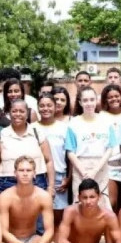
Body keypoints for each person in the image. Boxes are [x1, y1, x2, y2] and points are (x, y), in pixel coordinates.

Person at [0, 156, 57, 243]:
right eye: (21, 170)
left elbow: (49, 230)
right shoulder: (5, 197)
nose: (25, 173)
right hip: (11, 241)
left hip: (31, 238)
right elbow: (4, 232)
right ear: (15, 173)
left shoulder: (43, 196)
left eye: (28, 170)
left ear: (34, 173)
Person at [64, 86, 119, 209]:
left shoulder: (105, 121)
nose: (89, 103)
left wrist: (95, 171)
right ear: (80, 102)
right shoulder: (73, 123)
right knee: (81, 205)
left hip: (101, 166)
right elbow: (70, 152)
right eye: (85, 100)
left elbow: (110, 148)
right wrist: (84, 172)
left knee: (102, 204)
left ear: (96, 101)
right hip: (80, 167)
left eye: (92, 100)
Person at [0, 99, 53, 197]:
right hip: (7, 182)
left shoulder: (37, 133)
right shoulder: (1, 136)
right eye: (14, 111)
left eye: (22, 111)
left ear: (27, 114)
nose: (18, 114)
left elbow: (49, 161)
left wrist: (51, 187)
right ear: (9, 114)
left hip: (37, 181)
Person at [33, 93, 71, 224]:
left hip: (59, 177)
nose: (46, 108)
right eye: (42, 106)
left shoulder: (65, 128)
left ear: (55, 107)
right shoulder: (32, 128)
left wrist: (69, 177)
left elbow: (70, 155)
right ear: (37, 108)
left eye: (49, 105)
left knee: (58, 217)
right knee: (39, 217)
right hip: (38, 177)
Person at [99, 84, 121, 207]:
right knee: (111, 202)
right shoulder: (100, 116)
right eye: (110, 97)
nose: (114, 99)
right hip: (109, 164)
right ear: (105, 99)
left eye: (117, 96)